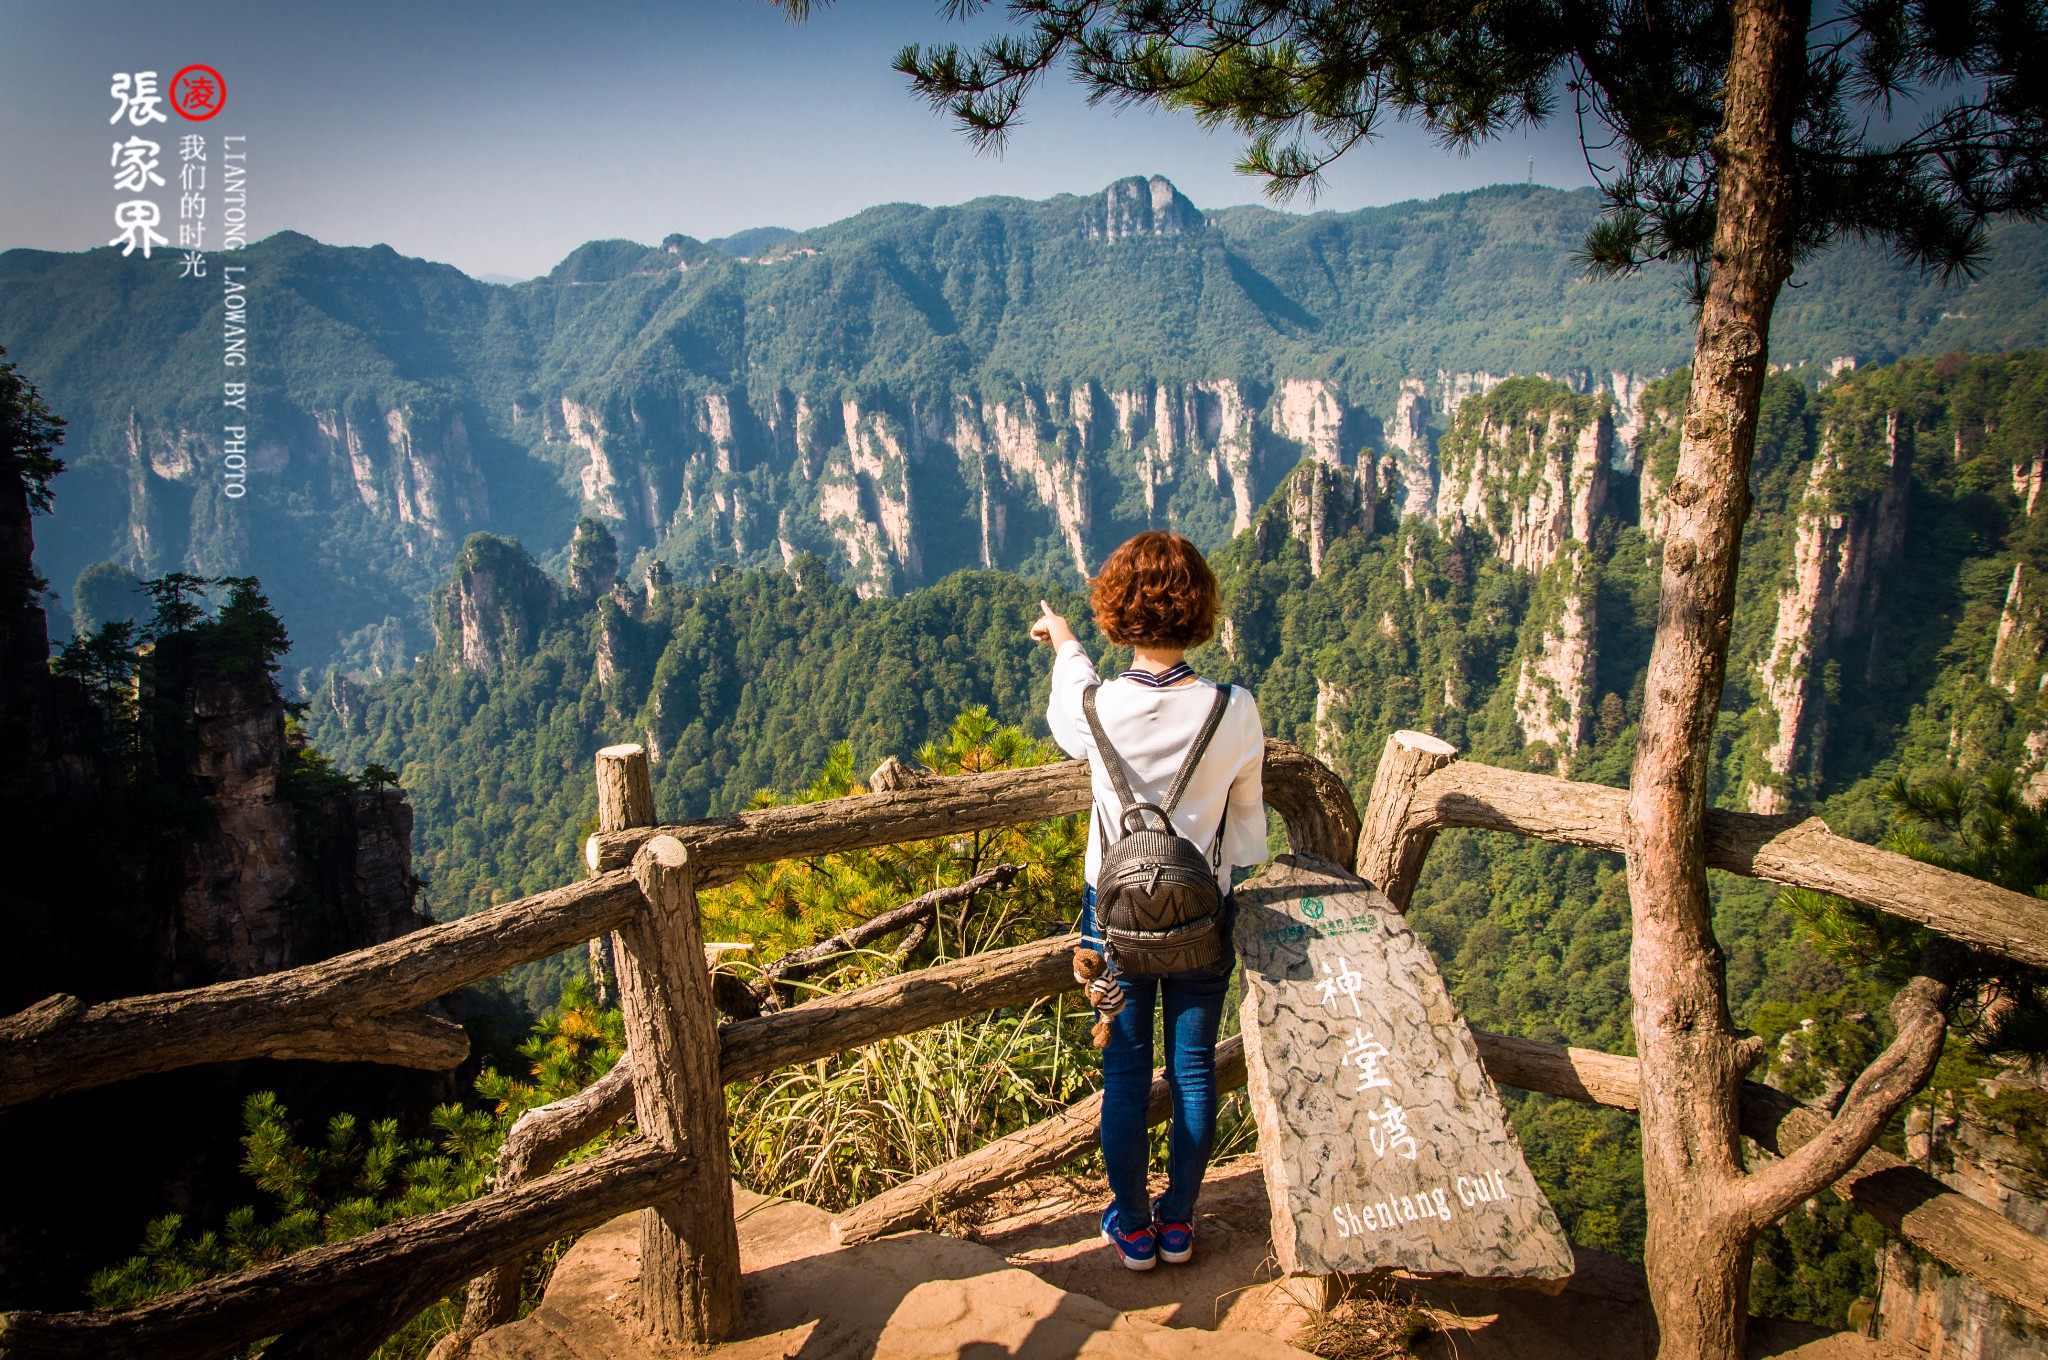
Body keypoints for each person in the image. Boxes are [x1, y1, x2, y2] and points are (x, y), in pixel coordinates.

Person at [1030, 530, 1267, 1271]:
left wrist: (1065, 640)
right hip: (1204, 916)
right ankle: (1178, 1221)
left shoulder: (1095, 710)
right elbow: (1251, 836)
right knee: (1194, 1070)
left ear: (1116, 612)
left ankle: (1131, 1226)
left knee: (1125, 1074)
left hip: (1113, 917)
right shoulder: (1235, 710)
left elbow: (1067, 701)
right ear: (1199, 609)